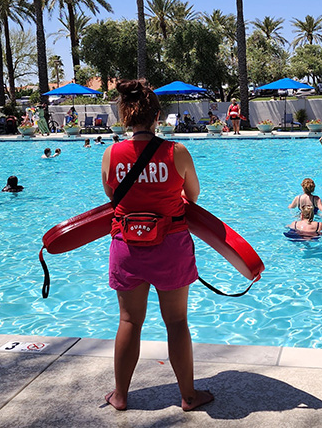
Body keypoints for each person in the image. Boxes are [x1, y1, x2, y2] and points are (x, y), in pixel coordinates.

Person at [100, 79, 212, 412]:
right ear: (158, 115)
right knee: (176, 322)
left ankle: (120, 395)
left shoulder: (111, 153)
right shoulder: (176, 152)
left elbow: (111, 196)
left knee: (129, 321)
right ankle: (188, 396)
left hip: (127, 246)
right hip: (170, 245)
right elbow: (193, 196)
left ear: (125, 114)